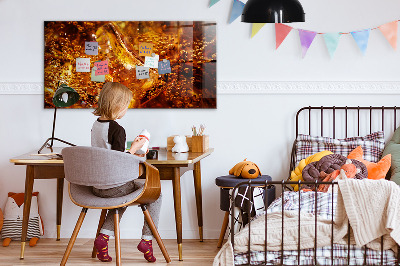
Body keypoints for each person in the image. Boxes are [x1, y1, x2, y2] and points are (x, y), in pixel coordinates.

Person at [91, 82, 161, 263]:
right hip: (114, 186)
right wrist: (136, 148)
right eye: (126, 106)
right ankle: (147, 240)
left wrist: (131, 149)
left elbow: (108, 154)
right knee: (156, 194)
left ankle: (103, 238)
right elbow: (118, 161)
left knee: (121, 197)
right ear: (118, 105)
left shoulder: (96, 125)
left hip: (97, 186)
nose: (126, 110)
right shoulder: (117, 129)